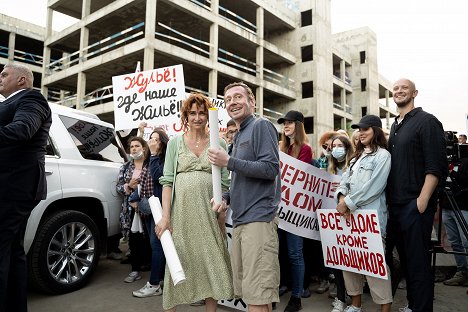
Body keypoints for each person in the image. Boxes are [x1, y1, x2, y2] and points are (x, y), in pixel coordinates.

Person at [156, 93, 233, 312]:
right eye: (192, 113)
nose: (197, 117)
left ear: (208, 116)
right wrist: (166, 217)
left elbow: (225, 184)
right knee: (177, 263)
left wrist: (221, 215)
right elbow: (168, 181)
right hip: (181, 216)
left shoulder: (220, 144)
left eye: (201, 113)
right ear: (185, 116)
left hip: (209, 214)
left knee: (211, 263)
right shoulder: (174, 143)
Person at [208, 82, 281, 312]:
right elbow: (242, 177)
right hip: (242, 220)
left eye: (238, 97)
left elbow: (270, 169)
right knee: (254, 293)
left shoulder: (261, 126)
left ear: (252, 101)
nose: (233, 102)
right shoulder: (239, 135)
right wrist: (226, 197)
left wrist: (228, 161)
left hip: (258, 220)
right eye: (228, 99)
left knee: (257, 294)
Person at [386, 78, 447, 312]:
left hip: (415, 206)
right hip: (396, 207)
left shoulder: (427, 122)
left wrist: (421, 202)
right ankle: (412, 305)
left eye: (404, 88)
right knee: (406, 265)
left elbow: (436, 166)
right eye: (396, 89)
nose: (399, 91)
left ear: (414, 93)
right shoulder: (395, 125)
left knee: (418, 265)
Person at [0, 63, 52, 312]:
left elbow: (23, 130)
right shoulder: (11, 102)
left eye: (4, 74)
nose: (0, 78)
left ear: (21, 80)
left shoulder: (32, 99)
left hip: (15, 185)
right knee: (12, 249)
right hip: (14, 185)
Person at [335, 115, 392, 312]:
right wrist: (342, 198)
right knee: (349, 261)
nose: (361, 132)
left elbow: (374, 187)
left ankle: (385, 307)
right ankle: (355, 305)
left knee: (374, 264)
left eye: (366, 128)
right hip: (349, 219)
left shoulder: (383, 155)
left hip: (371, 218)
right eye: (359, 129)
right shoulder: (356, 157)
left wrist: (348, 203)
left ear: (376, 130)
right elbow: (344, 181)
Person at [277, 110, 313, 312]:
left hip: (296, 211)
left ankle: (296, 296)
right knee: (277, 251)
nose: (286, 126)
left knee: (295, 253)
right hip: (280, 208)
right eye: (284, 123)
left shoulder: (305, 149)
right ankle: (280, 287)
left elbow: (302, 177)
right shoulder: (282, 148)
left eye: (290, 123)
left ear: (298, 125)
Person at [131, 128, 169, 297]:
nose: (153, 142)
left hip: (160, 209)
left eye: (157, 139)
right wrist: (134, 197)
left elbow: (157, 177)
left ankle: (154, 284)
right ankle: (159, 279)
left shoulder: (164, 159)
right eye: (151, 138)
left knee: (157, 246)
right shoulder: (149, 160)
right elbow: (141, 181)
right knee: (154, 245)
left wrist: (153, 155)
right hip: (148, 209)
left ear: (163, 143)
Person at [116, 136, 152, 283]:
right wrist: (128, 186)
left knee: (150, 240)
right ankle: (135, 270)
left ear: (144, 148)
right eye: (131, 147)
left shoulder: (150, 164)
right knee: (134, 241)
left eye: (137, 146)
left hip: (149, 209)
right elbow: (118, 188)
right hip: (131, 211)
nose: (134, 149)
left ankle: (152, 270)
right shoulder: (125, 167)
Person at [328, 135, 354, 312]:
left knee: (350, 260)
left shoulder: (352, 166)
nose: (336, 148)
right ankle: (340, 297)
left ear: (347, 147)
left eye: (340, 145)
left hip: (349, 217)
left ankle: (354, 297)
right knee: (336, 260)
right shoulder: (328, 169)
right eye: (333, 146)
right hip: (332, 220)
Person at [441, 157, 468, 286]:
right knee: (454, 242)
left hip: (463, 206)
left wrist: (454, 172)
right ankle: (462, 272)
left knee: (466, 241)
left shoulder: (465, 161)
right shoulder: (442, 159)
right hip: (447, 206)